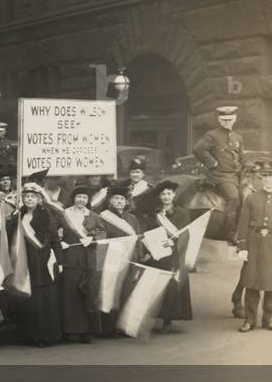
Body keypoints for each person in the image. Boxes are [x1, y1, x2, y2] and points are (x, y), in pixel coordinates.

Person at [9, 182, 64, 347]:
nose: (29, 199)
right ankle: (30, 334)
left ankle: (46, 335)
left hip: (43, 261)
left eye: (32, 196)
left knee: (44, 299)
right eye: (26, 196)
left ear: (39, 198)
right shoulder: (18, 216)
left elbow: (55, 240)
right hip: (25, 262)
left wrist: (60, 261)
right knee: (29, 299)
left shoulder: (46, 215)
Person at [136, 180, 193, 334]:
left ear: (174, 195)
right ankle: (154, 316)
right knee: (155, 285)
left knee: (171, 286)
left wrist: (173, 241)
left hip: (173, 254)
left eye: (169, 194)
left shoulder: (182, 212)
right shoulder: (154, 213)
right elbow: (147, 231)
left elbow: (185, 234)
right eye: (163, 194)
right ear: (159, 196)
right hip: (157, 255)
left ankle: (168, 319)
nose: (166, 197)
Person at [61, 186, 107, 342]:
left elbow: (102, 232)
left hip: (88, 259)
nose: (81, 200)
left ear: (88, 200)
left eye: (84, 197)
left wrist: (92, 238)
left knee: (87, 294)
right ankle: (68, 330)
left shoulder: (94, 216)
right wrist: (60, 242)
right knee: (69, 295)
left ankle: (86, 331)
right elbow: (54, 231)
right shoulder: (64, 214)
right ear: (74, 198)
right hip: (69, 258)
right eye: (79, 196)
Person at [97, 185, 144, 333]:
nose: (119, 201)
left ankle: (122, 326)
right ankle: (108, 327)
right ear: (110, 200)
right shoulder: (102, 217)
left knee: (126, 290)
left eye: (122, 199)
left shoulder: (132, 218)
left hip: (129, 258)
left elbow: (138, 239)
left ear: (127, 202)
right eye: (116, 198)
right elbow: (100, 240)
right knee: (109, 291)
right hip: (110, 259)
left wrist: (139, 256)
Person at [194, 106, 244, 240]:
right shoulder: (212, 135)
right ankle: (229, 232)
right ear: (219, 120)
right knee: (233, 198)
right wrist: (213, 163)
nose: (227, 122)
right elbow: (198, 149)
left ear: (235, 119)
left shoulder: (237, 137)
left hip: (235, 175)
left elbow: (241, 157)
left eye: (229, 120)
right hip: (220, 175)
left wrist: (246, 170)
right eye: (224, 120)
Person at [233, 161, 272, 332]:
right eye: (266, 177)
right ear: (261, 179)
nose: (269, 180)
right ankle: (249, 319)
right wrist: (242, 246)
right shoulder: (252, 198)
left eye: (271, 177)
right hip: (254, 242)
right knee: (251, 281)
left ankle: (269, 319)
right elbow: (243, 223)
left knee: (271, 282)